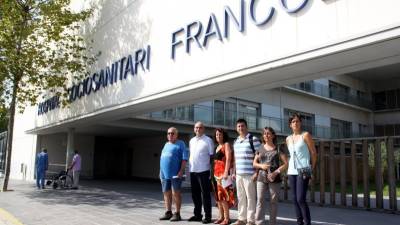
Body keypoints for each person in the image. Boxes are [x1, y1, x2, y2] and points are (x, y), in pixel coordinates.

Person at [286, 113, 317, 225]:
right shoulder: (288, 138)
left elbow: (313, 153)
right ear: (290, 124)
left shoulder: (306, 135)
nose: (295, 123)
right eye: (293, 121)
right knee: (294, 199)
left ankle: (307, 223)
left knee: (300, 199)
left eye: (297, 121)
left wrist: (311, 169)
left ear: (301, 123)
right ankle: (299, 222)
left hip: (304, 169)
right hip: (291, 171)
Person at [253, 127, 288, 225]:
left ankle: (272, 223)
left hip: (275, 178)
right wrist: (261, 166)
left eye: (268, 133)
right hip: (261, 178)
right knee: (260, 200)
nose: (266, 135)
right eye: (264, 134)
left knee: (273, 202)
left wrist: (276, 172)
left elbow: (286, 164)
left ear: (273, 135)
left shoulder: (278, 148)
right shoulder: (260, 148)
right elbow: (254, 163)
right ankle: (259, 223)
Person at [232, 119, 261, 225]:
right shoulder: (235, 141)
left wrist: (256, 173)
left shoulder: (253, 139)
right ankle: (241, 219)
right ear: (236, 128)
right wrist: (234, 172)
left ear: (246, 127)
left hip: (250, 175)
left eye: (242, 126)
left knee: (251, 198)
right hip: (239, 175)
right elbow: (236, 158)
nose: (240, 128)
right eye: (238, 126)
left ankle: (251, 220)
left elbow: (260, 158)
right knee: (240, 198)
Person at [159, 127, 189, 222]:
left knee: (176, 193)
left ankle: (177, 213)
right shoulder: (166, 144)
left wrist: (181, 171)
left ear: (176, 134)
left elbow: (184, 159)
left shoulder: (181, 144)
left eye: (172, 133)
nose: (170, 135)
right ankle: (168, 212)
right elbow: (162, 159)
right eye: (168, 133)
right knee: (166, 193)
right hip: (164, 174)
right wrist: (160, 172)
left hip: (175, 174)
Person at [188, 121, 214, 224]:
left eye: (200, 128)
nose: (198, 129)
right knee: (195, 194)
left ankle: (208, 216)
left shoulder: (208, 140)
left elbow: (212, 157)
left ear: (203, 129)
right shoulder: (191, 140)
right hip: (193, 170)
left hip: (204, 171)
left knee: (205, 195)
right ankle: (197, 215)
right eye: (196, 128)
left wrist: (211, 172)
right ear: (194, 129)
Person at [212, 128, 235, 225]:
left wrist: (226, 172)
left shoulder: (226, 145)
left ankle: (227, 218)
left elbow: (229, 159)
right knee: (218, 198)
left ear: (224, 135)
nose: (218, 136)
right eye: (217, 135)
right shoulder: (216, 147)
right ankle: (221, 217)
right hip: (215, 174)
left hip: (223, 174)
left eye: (220, 134)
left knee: (224, 197)